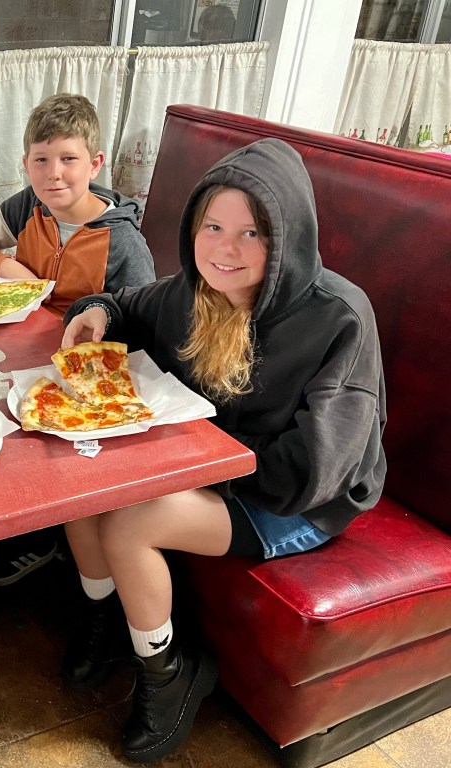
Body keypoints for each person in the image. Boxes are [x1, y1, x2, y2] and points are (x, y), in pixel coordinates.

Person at [58, 138, 386, 762]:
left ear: (288, 239)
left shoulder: (340, 318)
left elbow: (311, 472)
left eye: (251, 233)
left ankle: (167, 673)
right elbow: (125, 306)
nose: (225, 249)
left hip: (294, 503)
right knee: (80, 488)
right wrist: (96, 312)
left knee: (129, 521)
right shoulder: (192, 291)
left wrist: (190, 458)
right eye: (212, 226)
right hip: (211, 470)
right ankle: (105, 620)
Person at [0, 93, 156, 586]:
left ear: (95, 164)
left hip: (80, 370)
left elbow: (144, 322)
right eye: (41, 160)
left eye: (68, 159)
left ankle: (37, 542)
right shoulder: (27, 206)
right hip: (17, 347)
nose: (54, 174)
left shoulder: (123, 241)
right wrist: (7, 265)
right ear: (25, 164)